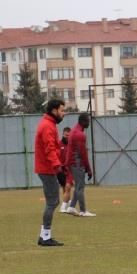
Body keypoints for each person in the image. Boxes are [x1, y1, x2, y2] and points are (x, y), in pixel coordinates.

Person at [34, 99, 66, 245]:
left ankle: (44, 235)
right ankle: (45, 236)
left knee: (52, 201)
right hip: (47, 169)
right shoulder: (48, 126)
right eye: (62, 110)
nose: (63, 114)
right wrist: (58, 168)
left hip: (47, 168)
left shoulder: (49, 124)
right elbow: (50, 149)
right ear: (54, 111)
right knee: (52, 201)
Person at [65, 113, 94, 217]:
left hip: (73, 163)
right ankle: (83, 211)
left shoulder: (74, 131)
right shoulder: (79, 134)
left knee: (78, 186)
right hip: (77, 163)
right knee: (80, 187)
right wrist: (89, 169)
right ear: (83, 122)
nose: (89, 123)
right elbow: (83, 153)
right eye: (88, 121)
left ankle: (71, 207)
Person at [58, 127, 73, 214]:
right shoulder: (59, 144)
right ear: (63, 134)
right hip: (60, 169)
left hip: (70, 169)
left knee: (68, 187)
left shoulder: (71, 145)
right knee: (65, 188)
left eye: (69, 135)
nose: (67, 137)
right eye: (66, 135)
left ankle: (65, 206)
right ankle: (69, 204)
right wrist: (59, 167)